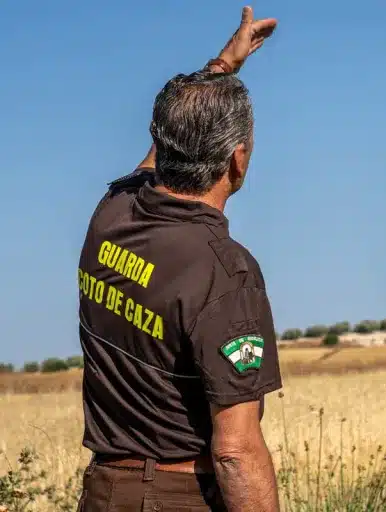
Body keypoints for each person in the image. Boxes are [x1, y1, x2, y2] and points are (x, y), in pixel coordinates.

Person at [75, 7, 282, 511]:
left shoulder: (114, 212)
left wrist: (221, 67)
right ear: (238, 158)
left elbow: (166, 143)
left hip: (102, 491)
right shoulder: (225, 272)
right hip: (178, 495)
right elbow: (234, 450)